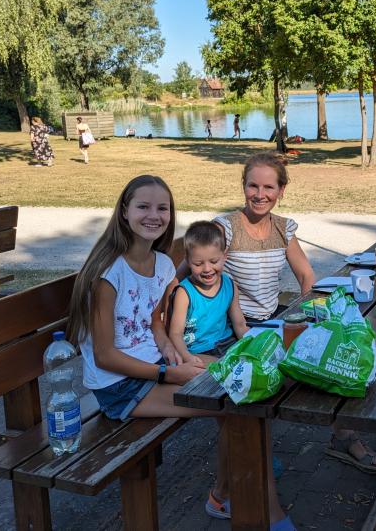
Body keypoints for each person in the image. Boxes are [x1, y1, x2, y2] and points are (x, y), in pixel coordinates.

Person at [65, 175, 293, 529]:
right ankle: (265, 511)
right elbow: (104, 356)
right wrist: (168, 372)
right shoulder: (107, 273)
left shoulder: (162, 265)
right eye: (143, 206)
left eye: (162, 208)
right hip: (119, 386)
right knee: (238, 403)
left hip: (156, 365)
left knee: (249, 379)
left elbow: (154, 323)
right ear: (124, 211)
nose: (154, 215)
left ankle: (225, 494)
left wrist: (177, 353)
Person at [212, 153, 376, 474]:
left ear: (281, 191)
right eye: (253, 185)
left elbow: (307, 276)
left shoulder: (283, 228)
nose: (260, 194)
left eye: (269, 187)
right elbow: (191, 273)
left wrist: (312, 320)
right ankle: (252, 458)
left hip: (274, 320)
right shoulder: (225, 228)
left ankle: (344, 438)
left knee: (336, 357)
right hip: (237, 329)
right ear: (243, 186)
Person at [168, 221, 248, 366]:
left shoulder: (229, 285)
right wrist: (187, 357)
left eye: (214, 261)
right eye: (198, 264)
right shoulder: (184, 293)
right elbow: (175, 334)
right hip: (197, 351)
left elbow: (240, 325)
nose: (207, 269)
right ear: (188, 261)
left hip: (227, 343)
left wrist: (253, 344)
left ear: (225, 256)